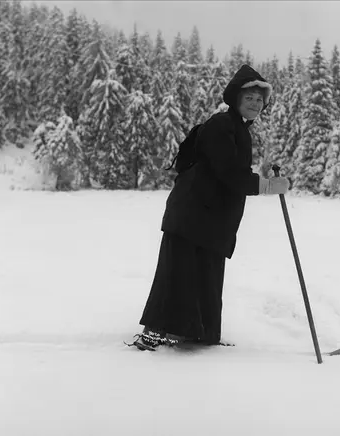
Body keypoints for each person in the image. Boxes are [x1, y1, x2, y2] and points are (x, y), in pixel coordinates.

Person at [131, 64, 290, 351]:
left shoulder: (238, 129)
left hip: (209, 219)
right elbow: (228, 172)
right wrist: (265, 186)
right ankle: (154, 335)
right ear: (236, 98)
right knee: (178, 274)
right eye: (249, 98)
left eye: (259, 99)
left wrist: (261, 181)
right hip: (193, 214)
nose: (255, 104)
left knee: (205, 275)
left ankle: (196, 334)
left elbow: (232, 173)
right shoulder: (221, 125)